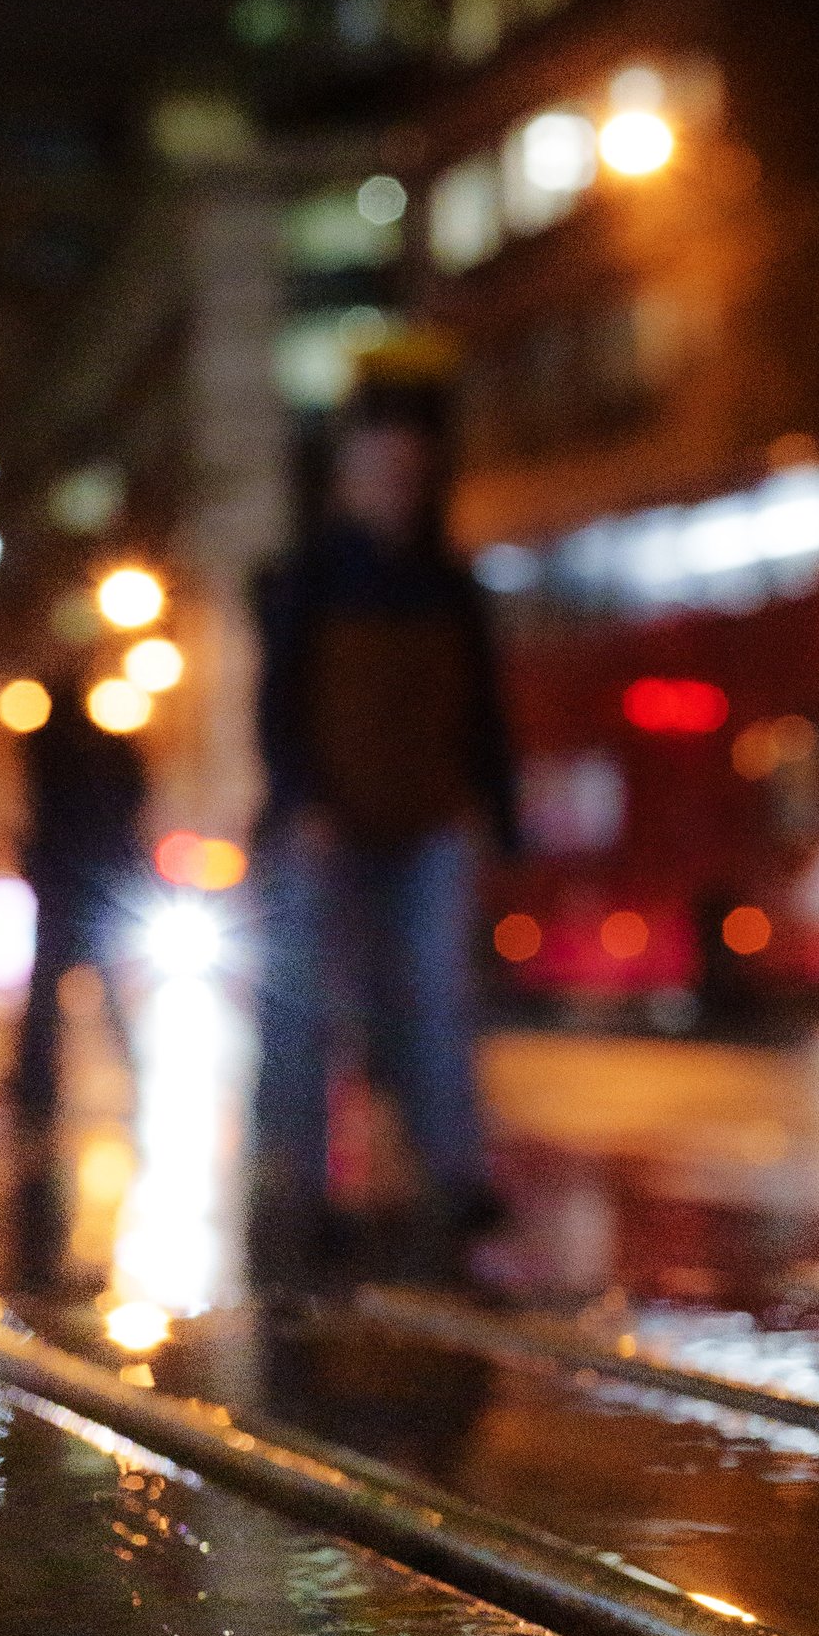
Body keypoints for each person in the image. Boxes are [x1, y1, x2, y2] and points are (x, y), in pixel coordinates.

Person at [248, 338, 516, 1268]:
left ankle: (453, 1174)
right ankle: (299, 1183)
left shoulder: (452, 584)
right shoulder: (310, 578)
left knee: (439, 1000)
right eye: (380, 473)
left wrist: (494, 811)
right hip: (328, 826)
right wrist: (303, 803)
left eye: (411, 474)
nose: (396, 489)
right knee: (308, 1009)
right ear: (349, 478)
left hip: (427, 819)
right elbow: (279, 704)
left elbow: (485, 711)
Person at [8, 675, 148, 1194]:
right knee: (82, 996)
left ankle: (37, 1087)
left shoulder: (57, 754)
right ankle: (52, 1084)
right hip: (91, 888)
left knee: (50, 1001)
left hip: (71, 889)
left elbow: (42, 818)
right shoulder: (102, 753)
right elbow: (132, 809)